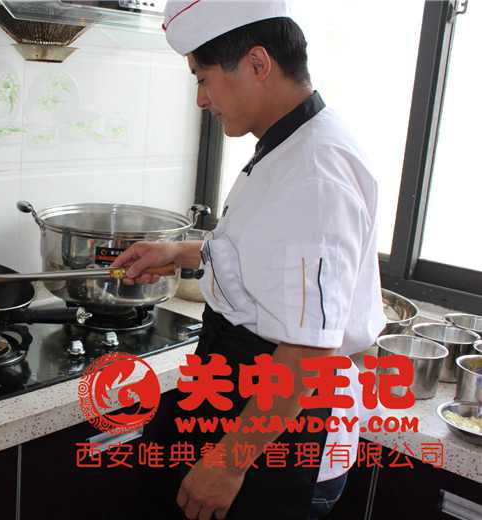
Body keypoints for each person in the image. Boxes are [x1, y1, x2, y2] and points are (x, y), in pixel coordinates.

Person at [110, 1, 386, 519]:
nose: (200, 99)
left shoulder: (315, 171)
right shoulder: (289, 144)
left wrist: (228, 462)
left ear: (258, 63)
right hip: (241, 392)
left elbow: (308, 350)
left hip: (281, 426)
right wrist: (178, 252)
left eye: (204, 78)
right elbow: (267, 255)